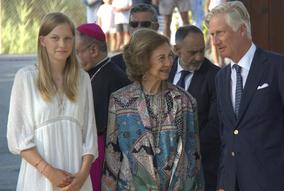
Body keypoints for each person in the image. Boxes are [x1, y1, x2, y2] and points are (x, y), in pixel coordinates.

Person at [206, 1, 284, 191]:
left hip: (276, 182)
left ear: (242, 29)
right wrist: (224, 181)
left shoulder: (279, 67)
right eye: (212, 34)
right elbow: (227, 135)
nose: (214, 41)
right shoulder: (221, 77)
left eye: (220, 33)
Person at [101, 29, 204, 190]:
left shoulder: (185, 100)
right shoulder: (120, 100)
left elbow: (195, 158)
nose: (169, 63)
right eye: (161, 58)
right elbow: (112, 157)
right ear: (143, 61)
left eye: (170, 56)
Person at [7, 12, 98, 191]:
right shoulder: (26, 78)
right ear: (42, 41)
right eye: (55, 38)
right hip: (39, 177)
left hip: (77, 176)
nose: (62, 45)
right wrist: (50, 172)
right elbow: (18, 137)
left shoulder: (83, 79)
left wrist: (81, 177)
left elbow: (89, 134)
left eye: (68, 39)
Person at [76, 23, 130, 191]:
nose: (73, 58)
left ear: (93, 50)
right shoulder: (91, 73)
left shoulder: (113, 77)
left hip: (102, 157)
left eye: (77, 52)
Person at [168, 25, 220, 191]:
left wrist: (186, 153)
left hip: (202, 166)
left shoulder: (216, 76)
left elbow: (215, 125)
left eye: (202, 51)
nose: (199, 57)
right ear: (177, 49)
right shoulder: (163, 71)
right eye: (192, 52)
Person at [111, 3, 160, 71]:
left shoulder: (169, 61)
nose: (139, 28)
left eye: (145, 24)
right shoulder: (115, 63)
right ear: (128, 28)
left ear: (156, 27)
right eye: (134, 24)